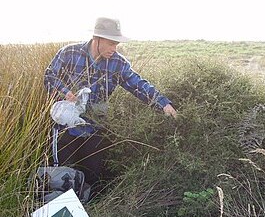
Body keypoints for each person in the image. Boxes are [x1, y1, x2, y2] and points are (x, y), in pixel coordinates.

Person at [44, 17, 177, 194]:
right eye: (111, 43)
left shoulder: (118, 63)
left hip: (95, 128)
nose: (114, 48)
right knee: (60, 176)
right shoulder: (69, 53)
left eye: (117, 44)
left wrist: (163, 104)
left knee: (94, 178)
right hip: (65, 128)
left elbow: (137, 84)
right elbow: (49, 76)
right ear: (96, 39)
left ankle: (90, 213)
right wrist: (65, 92)